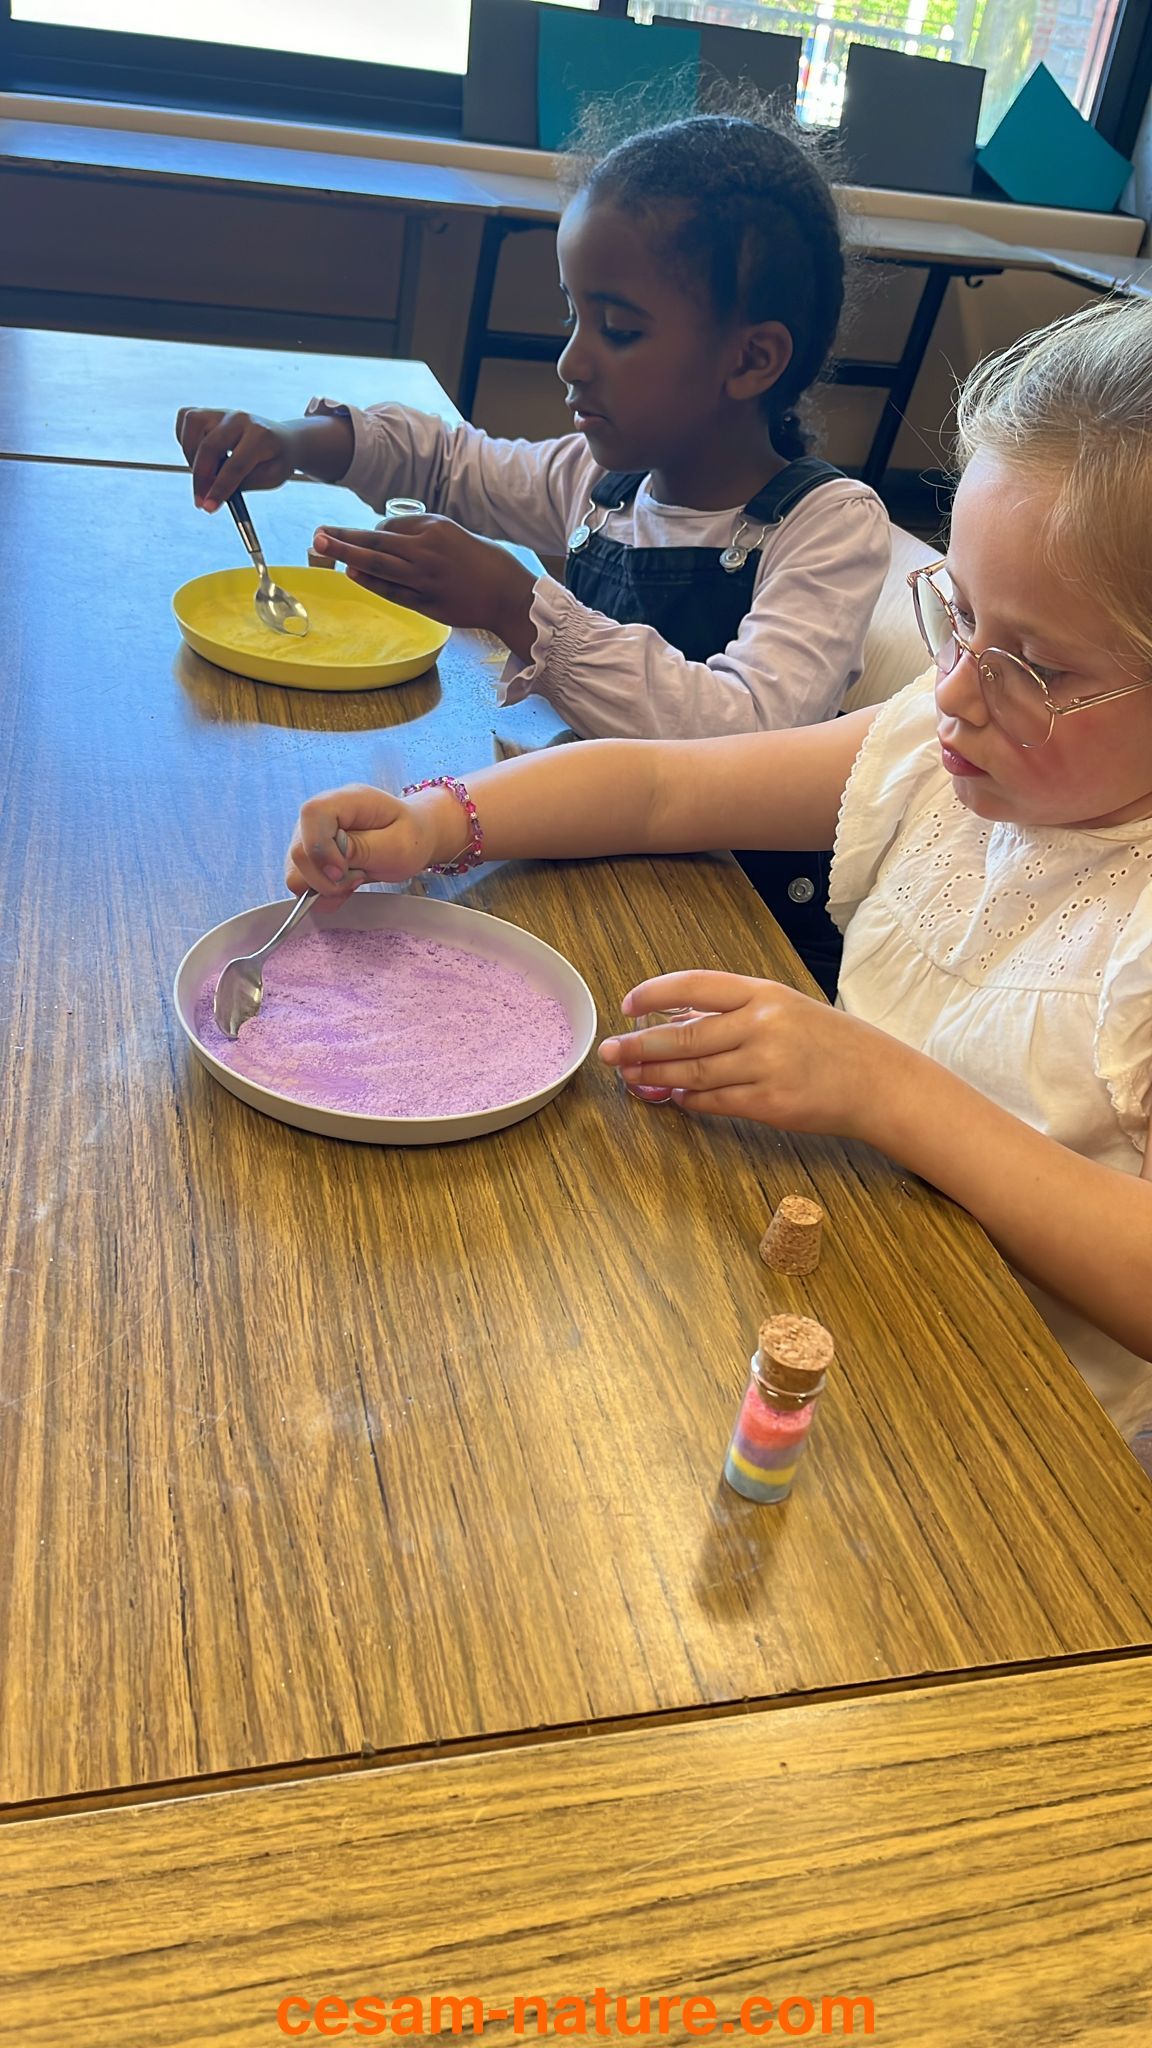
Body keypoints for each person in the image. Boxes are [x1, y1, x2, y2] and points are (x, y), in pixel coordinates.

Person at [281, 296, 1152, 1447]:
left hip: (1016, 1435)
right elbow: (664, 785)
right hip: (842, 1300)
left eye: (1033, 665)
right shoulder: (940, 752)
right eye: (959, 613)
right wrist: (438, 822)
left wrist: (883, 1089)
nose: (952, 687)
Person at [175, 108, 891, 992]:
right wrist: (296, 443)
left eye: (617, 330)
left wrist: (519, 607)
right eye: (572, 316)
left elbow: (743, 739)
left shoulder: (825, 524)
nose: (571, 362)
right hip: (585, 865)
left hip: (734, 937)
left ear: (750, 360)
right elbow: (450, 461)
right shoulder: (601, 480)